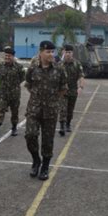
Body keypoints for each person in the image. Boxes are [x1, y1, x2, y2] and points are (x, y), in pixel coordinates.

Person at [25, 40, 67, 180]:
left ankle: (45, 166)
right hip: (34, 109)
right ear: (41, 52)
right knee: (30, 135)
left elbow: (63, 88)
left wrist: (53, 100)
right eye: (48, 52)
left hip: (51, 110)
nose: (51, 54)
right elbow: (28, 85)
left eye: (52, 51)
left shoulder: (59, 69)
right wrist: (37, 98)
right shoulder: (32, 68)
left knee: (48, 141)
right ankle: (36, 160)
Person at [0, 46, 25, 139]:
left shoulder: (19, 67)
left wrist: (14, 85)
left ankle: (14, 128)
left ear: (13, 57)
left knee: (14, 112)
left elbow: (22, 78)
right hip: (3, 94)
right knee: (1, 110)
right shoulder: (0, 66)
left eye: (9, 56)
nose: (7, 58)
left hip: (15, 94)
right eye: (6, 56)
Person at [58, 44, 85, 135]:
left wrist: (81, 87)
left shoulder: (77, 64)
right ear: (63, 52)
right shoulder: (59, 65)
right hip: (62, 90)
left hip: (73, 90)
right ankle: (62, 126)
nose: (68, 54)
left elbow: (81, 76)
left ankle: (68, 124)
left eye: (69, 52)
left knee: (70, 109)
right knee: (63, 108)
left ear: (72, 53)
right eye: (66, 52)